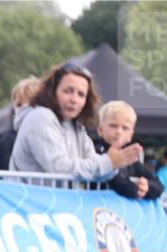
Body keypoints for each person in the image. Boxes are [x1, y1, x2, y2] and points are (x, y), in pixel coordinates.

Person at [9, 63, 141, 180]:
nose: (74, 99)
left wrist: (115, 165)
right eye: (68, 91)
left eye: (81, 94)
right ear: (52, 91)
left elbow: (93, 166)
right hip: (33, 205)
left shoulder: (76, 127)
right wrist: (109, 162)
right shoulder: (40, 117)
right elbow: (58, 167)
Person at [96, 101, 162, 200]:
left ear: (131, 135)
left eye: (125, 128)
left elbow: (158, 185)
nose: (119, 132)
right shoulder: (93, 153)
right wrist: (135, 189)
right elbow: (117, 182)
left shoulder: (131, 160)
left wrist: (146, 187)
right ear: (100, 130)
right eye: (113, 126)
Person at [0, 76, 39, 171]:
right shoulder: (8, 140)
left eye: (30, 104)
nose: (22, 109)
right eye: (18, 105)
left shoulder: (53, 134)